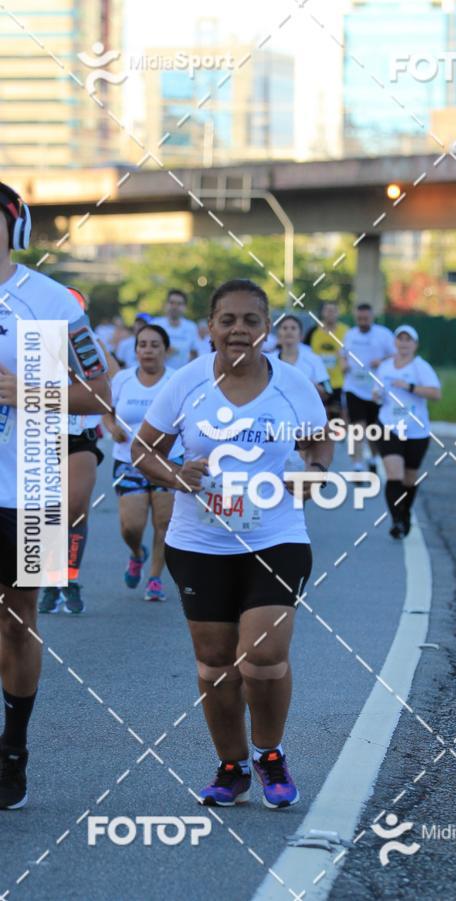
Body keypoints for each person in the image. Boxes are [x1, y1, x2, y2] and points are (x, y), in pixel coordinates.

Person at [133, 278, 332, 809]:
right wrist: (176, 474)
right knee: (216, 663)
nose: (239, 330)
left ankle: (270, 754)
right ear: (210, 328)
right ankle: (232, 765)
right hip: (199, 541)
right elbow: (142, 450)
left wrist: (313, 473)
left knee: (263, 657)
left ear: (265, 328)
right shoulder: (185, 383)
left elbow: (319, 443)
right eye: (228, 320)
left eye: (250, 320)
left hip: (276, 535)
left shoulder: (294, 385)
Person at [0, 183, 110, 809]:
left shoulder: (49, 302)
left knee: (18, 623)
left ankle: (13, 750)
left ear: (15, 227)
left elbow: (99, 394)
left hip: (33, 483)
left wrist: (25, 390)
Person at [39, 287, 120, 616]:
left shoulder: (90, 342)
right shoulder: (36, 339)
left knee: (75, 507)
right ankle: (48, 579)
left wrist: (94, 349)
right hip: (40, 436)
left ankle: (69, 578)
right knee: (46, 512)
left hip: (80, 435)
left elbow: (114, 377)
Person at [104, 324, 183, 602]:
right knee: (131, 526)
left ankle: (154, 578)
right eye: (142, 345)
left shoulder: (176, 380)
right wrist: (112, 428)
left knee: (164, 523)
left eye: (154, 345)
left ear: (165, 350)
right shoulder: (123, 380)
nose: (147, 350)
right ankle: (137, 553)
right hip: (128, 461)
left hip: (167, 460)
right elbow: (106, 411)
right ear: (135, 350)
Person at [374, 325, 441, 539]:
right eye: (400, 339)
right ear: (395, 343)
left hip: (416, 430)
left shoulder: (421, 367)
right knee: (394, 475)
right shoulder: (384, 367)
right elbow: (377, 392)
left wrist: (410, 386)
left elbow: (436, 393)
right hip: (389, 426)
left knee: (409, 479)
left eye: (408, 340)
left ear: (415, 345)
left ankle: (405, 513)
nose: (404, 343)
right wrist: (376, 395)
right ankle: (396, 522)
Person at [342, 304, 395, 472]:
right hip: (353, 387)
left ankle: (373, 458)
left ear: (372, 317)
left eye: (366, 318)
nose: (363, 322)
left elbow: (395, 355)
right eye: (359, 319)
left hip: (376, 389)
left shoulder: (384, 334)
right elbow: (343, 354)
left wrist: (382, 361)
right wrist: (344, 365)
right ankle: (357, 464)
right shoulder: (350, 335)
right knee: (357, 426)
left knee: (373, 429)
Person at [273, 314, 332, 399]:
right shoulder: (269, 361)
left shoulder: (314, 359)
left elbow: (328, 390)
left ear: (301, 335)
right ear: (278, 335)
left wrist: (307, 384)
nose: (289, 331)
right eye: (284, 328)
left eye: (293, 328)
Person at [305, 301, 348, 418]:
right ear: (322, 313)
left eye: (333, 310)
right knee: (317, 416)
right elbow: (304, 354)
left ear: (338, 313)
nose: (330, 313)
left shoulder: (346, 332)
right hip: (318, 382)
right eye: (328, 310)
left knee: (336, 417)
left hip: (338, 382)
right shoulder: (312, 332)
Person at [152, 289, 198, 369]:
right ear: (166, 304)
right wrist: (164, 353)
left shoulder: (191, 327)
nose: (175, 307)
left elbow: (194, 352)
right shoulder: (155, 324)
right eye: (171, 302)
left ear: (185, 307)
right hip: (159, 375)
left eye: (179, 304)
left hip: (182, 376)